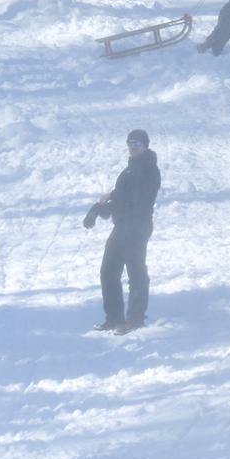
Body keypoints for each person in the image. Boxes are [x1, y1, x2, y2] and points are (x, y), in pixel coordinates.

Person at [85, 129, 160, 334]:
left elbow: (134, 198)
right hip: (123, 226)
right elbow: (121, 198)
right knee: (108, 272)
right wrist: (99, 209)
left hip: (138, 225)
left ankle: (135, 319)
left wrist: (112, 198)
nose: (133, 147)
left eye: (137, 144)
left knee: (136, 272)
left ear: (145, 145)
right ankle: (115, 318)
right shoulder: (129, 170)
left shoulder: (148, 168)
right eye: (130, 143)